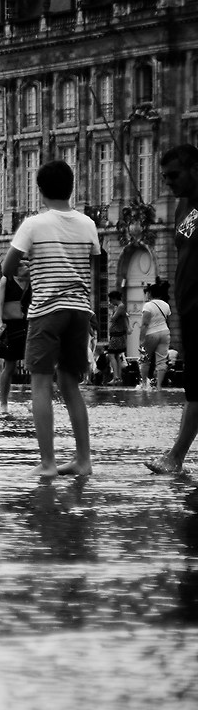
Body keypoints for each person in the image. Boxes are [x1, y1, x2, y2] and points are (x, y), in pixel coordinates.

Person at [2, 159, 99, 479]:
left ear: (39, 190)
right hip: (80, 310)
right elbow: (90, 261)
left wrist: (26, 269)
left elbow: (7, 267)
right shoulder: (88, 224)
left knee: (40, 384)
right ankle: (83, 459)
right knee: (71, 385)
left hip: (46, 311)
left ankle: (47, 462)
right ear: (72, 187)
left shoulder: (34, 225)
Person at [148, 146, 198, 475]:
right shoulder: (183, 207)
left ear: (195, 168)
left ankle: (175, 457)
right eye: (164, 178)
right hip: (190, 310)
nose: (169, 184)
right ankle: (176, 457)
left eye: (175, 176)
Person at [0, 262, 29, 418]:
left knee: (34, 364)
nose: (27, 267)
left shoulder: (31, 280)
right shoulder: (6, 280)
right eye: (24, 265)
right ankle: (4, 403)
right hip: (11, 326)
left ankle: (35, 400)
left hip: (28, 324)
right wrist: (0, 324)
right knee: (10, 365)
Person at [137, 280, 173, 391]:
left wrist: (141, 339)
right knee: (161, 361)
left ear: (150, 293)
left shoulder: (148, 305)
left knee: (145, 359)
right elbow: (167, 320)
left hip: (151, 334)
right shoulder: (166, 305)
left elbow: (145, 324)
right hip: (164, 333)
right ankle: (159, 386)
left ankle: (143, 384)